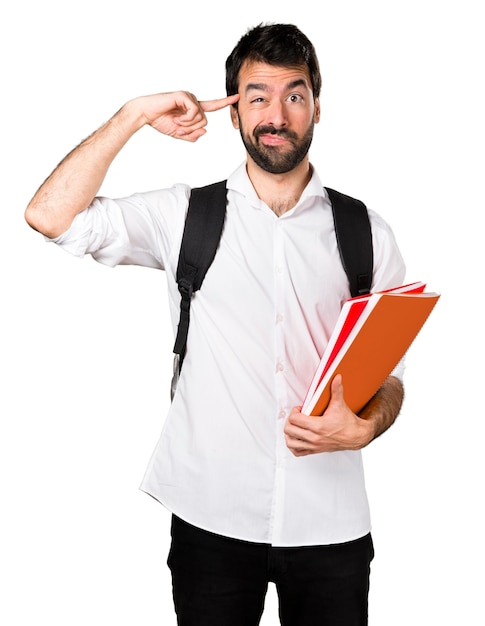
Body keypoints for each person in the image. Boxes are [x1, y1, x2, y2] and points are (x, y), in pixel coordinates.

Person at [25, 22, 406, 626]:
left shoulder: (366, 232)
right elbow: (48, 215)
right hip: (211, 521)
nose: (276, 114)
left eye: (295, 95)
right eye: (257, 96)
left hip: (331, 524)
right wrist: (132, 114)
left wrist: (366, 428)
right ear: (233, 111)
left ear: (316, 107)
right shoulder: (185, 216)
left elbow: (388, 379)